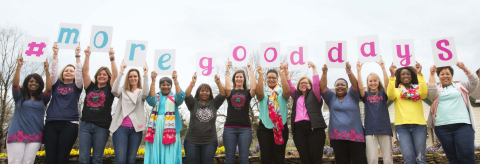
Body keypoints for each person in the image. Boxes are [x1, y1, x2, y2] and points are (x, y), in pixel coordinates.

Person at [427, 63, 479, 164]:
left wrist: (464, 68)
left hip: (463, 125)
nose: (445, 76)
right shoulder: (437, 89)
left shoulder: (461, 86)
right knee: (452, 158)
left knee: (467, 156)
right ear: (438, 76)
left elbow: (474, 82)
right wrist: (431, 74)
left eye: (448, 73)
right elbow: (432, 93)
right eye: (442, 74)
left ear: (452, 75)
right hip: (442, 127)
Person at [44, 42, 84, 164]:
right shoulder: (56, 85)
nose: (68, 72)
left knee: (62, 158)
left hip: (69, 125)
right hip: (51, 123)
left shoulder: (77, 86)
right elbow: (54, 70)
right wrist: (55, 54)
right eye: (66, 70)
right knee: (50, 158)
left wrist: (77, 56)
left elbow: (79, 73)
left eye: (71, 71)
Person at [320, 62, 367, 164]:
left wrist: (349, 72)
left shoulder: (353, 96)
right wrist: (324, 73)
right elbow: (323, 88)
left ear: (347, 87)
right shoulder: (331, 98)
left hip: (356, 137)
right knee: (341, 161)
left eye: (343, 85)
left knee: (359, 161)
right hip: (337, 137)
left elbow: (355, 85)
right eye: (337, 85)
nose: (340, 87)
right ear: (334, 87)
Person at [7, 56, 51, 164]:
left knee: (28, 162)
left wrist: (47, 72)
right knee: (15, 161)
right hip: (17, 134)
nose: (33, 83)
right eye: (31, 81)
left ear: (40, 84)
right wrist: (19, 66)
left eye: (36, 82)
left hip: (35, 135)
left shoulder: (42, 98)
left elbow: (49, 89)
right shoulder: (19, 96)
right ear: (27, 83)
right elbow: (15, 84)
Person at [78, 47, 118, 164]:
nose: (101, 76)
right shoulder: (90, 87)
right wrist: (87, 56)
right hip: (86, 125)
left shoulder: (110, 89)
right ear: (96, 76)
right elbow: (84, 72)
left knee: (97, 159)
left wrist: (112, 58)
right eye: (99, 74)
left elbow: (115, 75)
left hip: (102, 127)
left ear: (108, 77)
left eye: (104, 74)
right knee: (83, 159)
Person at [387, 62, 428, 164]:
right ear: (399, 77)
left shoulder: (418, 89)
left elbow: (424, 94)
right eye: (403, 74)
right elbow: (390, 95)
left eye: (408, 74)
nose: (406, 76)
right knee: (408, 159)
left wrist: (419, 74)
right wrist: (392, 76)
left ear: (411, 76)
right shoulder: (397, 90)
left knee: (420, 159)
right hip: (402, 127)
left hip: (419, 126)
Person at [286, 62, 326, 164]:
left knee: (316, 159)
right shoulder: (296, 97)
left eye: (306, 83)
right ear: (298, 86)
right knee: (305, 159)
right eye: (301, 83)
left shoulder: (315, 95)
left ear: (310, 85)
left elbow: (317, 84)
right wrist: (286, 71)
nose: (303, 84)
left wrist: (314, 68)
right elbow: (289, 85)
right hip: (299, 130)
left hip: (314, 129)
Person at [110, 61, 150, 164]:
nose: (133, 78)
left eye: (135, 76)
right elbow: (114, 90)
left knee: (130, 160)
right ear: (127, 78)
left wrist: (145, 75)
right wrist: (121, 72)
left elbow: (146, 93)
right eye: (130, 76)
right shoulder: (122, 91)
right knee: (120, 160)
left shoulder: (141, 92)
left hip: (136, 130)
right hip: (120, 129)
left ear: (138, 78)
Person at [357, 57, 393, 164]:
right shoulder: (366, 95)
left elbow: (387, 85)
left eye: (375, 81)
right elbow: (360, 88)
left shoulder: (383, 93)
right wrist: (359, 71)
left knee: (387, 159)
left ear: (378, 82)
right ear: (367, 83)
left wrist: (383, 68)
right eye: (370, 81)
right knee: (372, 159)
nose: (373, 83)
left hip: (385, 130)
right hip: (370, 131)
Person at [144, 71, 185, 164]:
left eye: (168, 85)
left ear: (171, 86)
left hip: (171, 127)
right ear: (159, 86)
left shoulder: (174, 97)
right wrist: (153, 81)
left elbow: (181, 97)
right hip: (156, 126)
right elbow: (150, 100)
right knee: (156, 148)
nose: (165, 87)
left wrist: (175, 81)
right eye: (163, 85)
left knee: (170, 149)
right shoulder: (156, 97)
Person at [184, 73, 226, 164]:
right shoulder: (193, 103)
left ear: (210, 93)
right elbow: (186, 95)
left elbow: (223, 94)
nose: (204, 93)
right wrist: (192, 82)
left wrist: (218, 83)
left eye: (207, 91)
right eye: (202, 91)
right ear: (198, 92)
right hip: (192, 141)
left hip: (210, 142)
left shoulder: (214, 103)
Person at [255, 64, 290, 164]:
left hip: (281, 128)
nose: (271, 79)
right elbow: (258, 94)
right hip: (264, 129)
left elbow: (288, 92)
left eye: (274, 78)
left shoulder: (282, 90)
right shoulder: (263, 91)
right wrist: (260, 74)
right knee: (265, 159)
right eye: (269, 77)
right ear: (266, 79)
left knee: (279, 159)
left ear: (277, 79)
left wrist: (281, 73)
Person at [223, 59, 256, 164]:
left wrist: (250, 70)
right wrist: (227, 70)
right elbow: (227, 88)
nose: (239, 78)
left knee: (244, 159)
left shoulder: (247, 92)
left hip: (245, 128)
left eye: (241, 76)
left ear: (244, 79)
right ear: (234, 79)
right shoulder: (229, 92)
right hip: (229, 128)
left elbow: (254, 88)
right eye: (237, 77)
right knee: (229, 159)